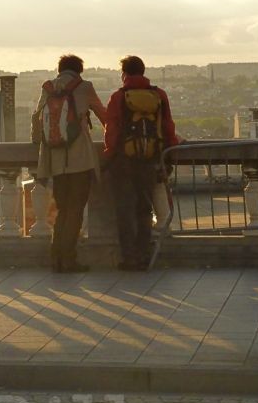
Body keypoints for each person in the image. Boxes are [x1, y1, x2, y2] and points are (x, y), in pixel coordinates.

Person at [32, 54, 106, 273]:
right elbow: (104, 115)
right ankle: (68, 259)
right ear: (79, 70)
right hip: (79, 159)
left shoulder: (48, 87)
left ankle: (57, 258)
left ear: (59, 70)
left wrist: (39, 145)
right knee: (75, 209)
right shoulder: (84, 87)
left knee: (63, 209)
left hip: (54, 159)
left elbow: (37, 119)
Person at [103, 55, 179, 271]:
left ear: (124, 74)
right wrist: (169, 155)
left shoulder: (119, 97)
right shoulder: (158, 95)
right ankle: (145, 255)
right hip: (150, 160)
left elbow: (112, 130)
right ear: (143, 71)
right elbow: (168, 127)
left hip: (124, 162)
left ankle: (129, 258)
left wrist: (110, 157)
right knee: (144, 210)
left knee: (125, 211)